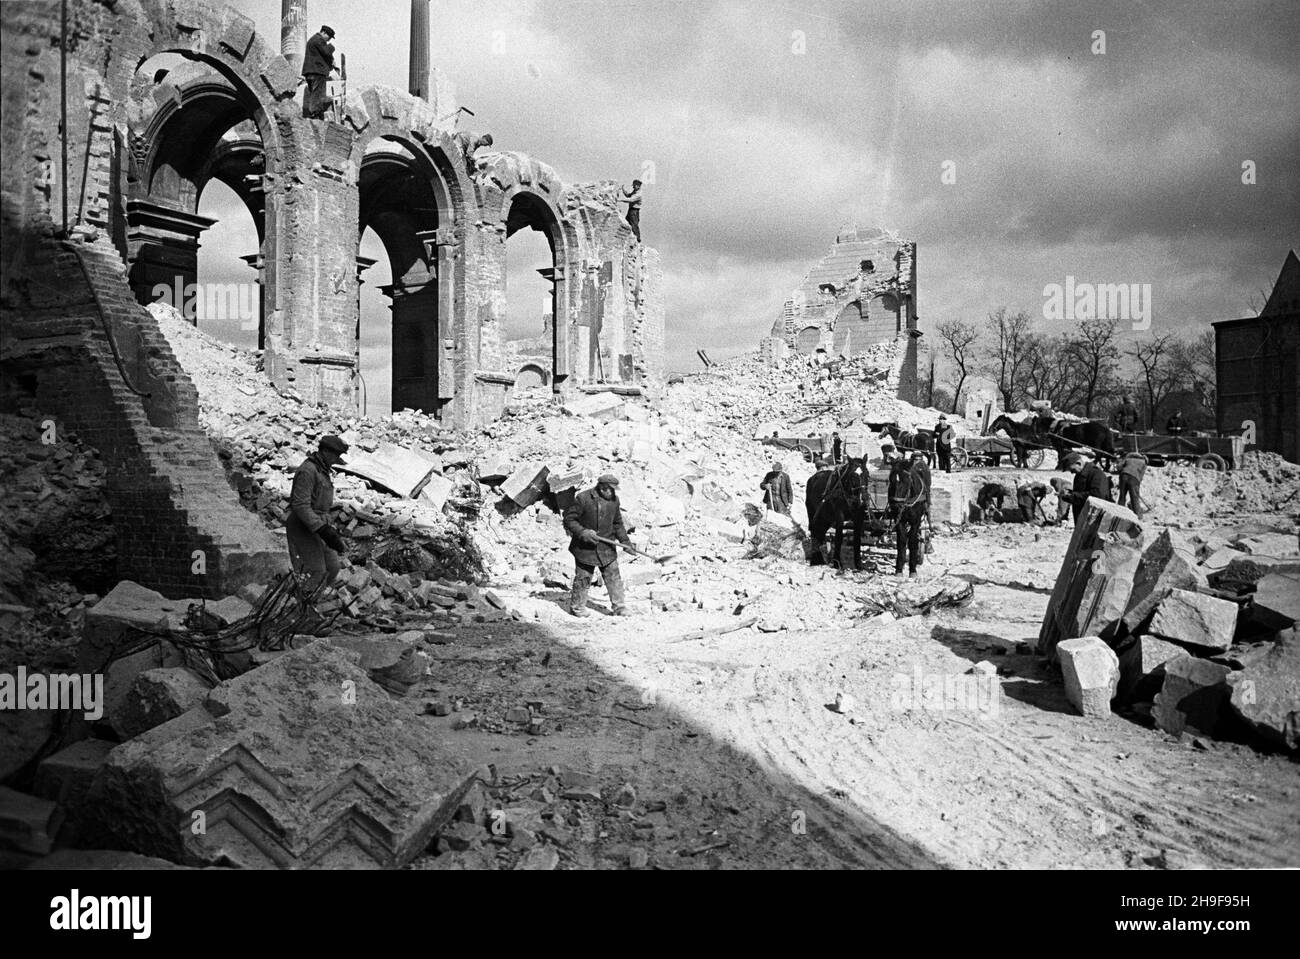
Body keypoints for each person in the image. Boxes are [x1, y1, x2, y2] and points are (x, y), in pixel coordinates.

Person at [563, 474, 634, 618]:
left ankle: (619, 607)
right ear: (602, 487)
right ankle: (577, 608)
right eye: (609, 490)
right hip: (585, 548)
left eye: (613, 490)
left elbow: (617, 523)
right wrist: (583, 532)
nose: (612, 493)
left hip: (607, 546)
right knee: (583, 577)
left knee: (613, 576)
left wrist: (625, 542)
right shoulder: (583, 498)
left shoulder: (614, 500)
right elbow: (569, 520)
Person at [287, 434, 349, 592]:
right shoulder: (308, 471)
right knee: (316, 571)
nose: (337, 460)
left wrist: (329, 529)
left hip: (319, 523)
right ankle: (301, 604)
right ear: (326, 452)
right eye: (336, 455)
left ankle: (313, 597)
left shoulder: (323, 470)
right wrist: (322, 529)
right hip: (302, 525)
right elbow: (300, 505)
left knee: (333, 567)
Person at [889, 451, 931, 579]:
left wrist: (927, 501)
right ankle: (899, 568)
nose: (918, 461)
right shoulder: (899, 473)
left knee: (913, 537)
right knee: (901, 538)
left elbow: (928, 485)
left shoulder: (924, 468)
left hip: (916, 505)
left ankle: (912, 569)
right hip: (899, 504)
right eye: (916, 459)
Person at [1059, 451, 1113, 522]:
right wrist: (1069, 494)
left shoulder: (1096, 473)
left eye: (1072, 470)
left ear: (1079, 463)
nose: (1072, 473)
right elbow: (1081, 492)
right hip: (1083, 518)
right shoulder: (1079, 475)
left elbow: (1097, 496)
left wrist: (1072, 496)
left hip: (1093, 519)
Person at [301, 25, 338, 120]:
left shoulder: (313, 40)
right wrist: (332, 47)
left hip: (310, 72)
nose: (328, 40)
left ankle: (314, 115)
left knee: (314, 94)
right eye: (328, 37)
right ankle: (315, 116)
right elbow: (326, 52)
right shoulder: (319, 40)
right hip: (318, 72)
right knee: (318, 95)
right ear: (324, 33)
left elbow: (322, 55)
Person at [1116, 450, 1148, 517]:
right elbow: (1140, 477)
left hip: (1123, 476)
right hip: (1134, 478)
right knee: (1134, 498)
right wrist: (1136, 489)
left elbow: (1119, 467)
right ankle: (1138, 516)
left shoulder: (1128, 458)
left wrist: (1119, 462)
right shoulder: (1143, 463)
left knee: (1122, 496)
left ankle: (1119, 514)